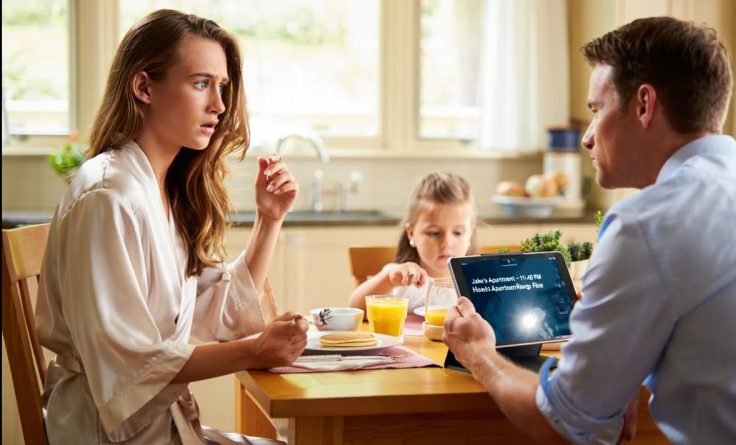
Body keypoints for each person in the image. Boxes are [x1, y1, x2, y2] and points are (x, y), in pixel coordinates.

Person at [444, 16, 736, 445]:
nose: (588, 138)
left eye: (596, 110)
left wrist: (478, 352)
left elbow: (565, 424)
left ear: (644, 105)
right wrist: (625, 358)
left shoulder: (645, 224)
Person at [35, 9, 309, 445]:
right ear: (143, 87)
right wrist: (255, 350)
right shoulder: (109, 197)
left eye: (221, 87)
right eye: (201, 83)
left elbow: (207, 311)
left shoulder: (159, 186)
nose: (219, 105)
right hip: (106, 434)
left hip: (159, 425)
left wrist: (269, 219)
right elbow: (127, 364)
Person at [348, 171, 479, 313]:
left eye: (458, 233)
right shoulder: (400, 278)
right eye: (434, 233)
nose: (447, 243)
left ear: (470, 232)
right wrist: (388, 279)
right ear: (411, 233)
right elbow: (356, 309)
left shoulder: (479, 281)